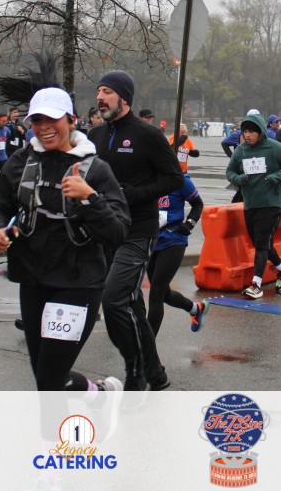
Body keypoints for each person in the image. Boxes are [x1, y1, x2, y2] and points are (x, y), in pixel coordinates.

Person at [0, 87, 129, 392]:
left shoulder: (95, 169)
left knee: (49, 381)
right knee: (48, 376)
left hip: (77, 285)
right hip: (33, 281)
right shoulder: (20, 161)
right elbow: (0, 208)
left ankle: (67, 420)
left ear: (71, 120)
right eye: (37, 120)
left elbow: (117, 232)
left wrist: (89, 197)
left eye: (52, 119)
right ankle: (98, 394)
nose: (43, 127)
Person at [88, 71, 184, 391]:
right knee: (132, 305)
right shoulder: (94, 135)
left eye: (107, 92)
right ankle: (155, 375)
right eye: (99, 91)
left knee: (114, 300)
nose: (100, 97)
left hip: (139, 230)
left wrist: (133, 194)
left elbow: (174, 178)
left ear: (124, 98)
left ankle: (135, 372)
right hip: (105, 232)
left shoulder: (148, 135)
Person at [225, 111, 281, 299]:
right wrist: (240, 179)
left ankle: (256, 284)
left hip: (272, 203)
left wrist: (277, 177)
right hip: (250, 203)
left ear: (260, 131)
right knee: (261, 243)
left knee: (261, 244)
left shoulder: (274, 147)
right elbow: (230, 172)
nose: (248, 135)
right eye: (245, 132)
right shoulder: (241, 150)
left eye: (251, 131)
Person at [147, 173, 206, 335]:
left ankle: (147, 345)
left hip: (173, 240)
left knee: (156, 294)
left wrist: (189, 224)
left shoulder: (180, 180)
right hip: (152, 240)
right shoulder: (146, 176)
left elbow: (197, 204)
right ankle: (195, 309)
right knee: (164, 294)